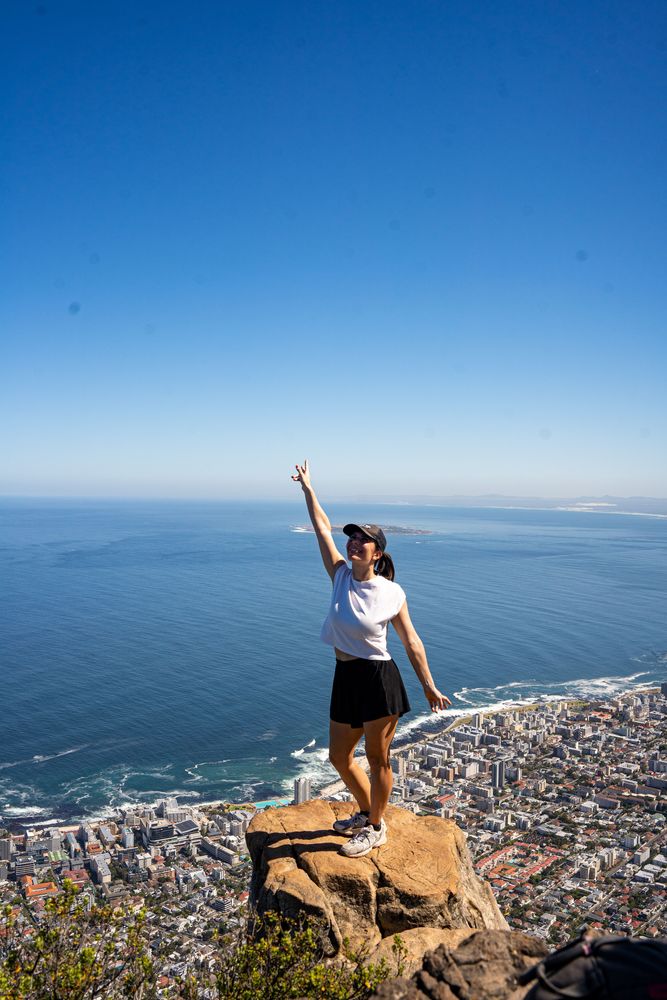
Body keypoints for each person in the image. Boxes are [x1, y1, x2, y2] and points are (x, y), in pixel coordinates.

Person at [291, 460, 451, 858]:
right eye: (352, 538)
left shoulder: (391, 593)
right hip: (345, 674)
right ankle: (365, 812)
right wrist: (309, 489)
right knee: (338, 756)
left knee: (378, 758)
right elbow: (321, 527)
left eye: (363, 540)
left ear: (377, 553)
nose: (353, 543)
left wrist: (428, 685)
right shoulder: (340, 575)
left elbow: (411, 641)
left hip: (379, 678)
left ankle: (377, 828)